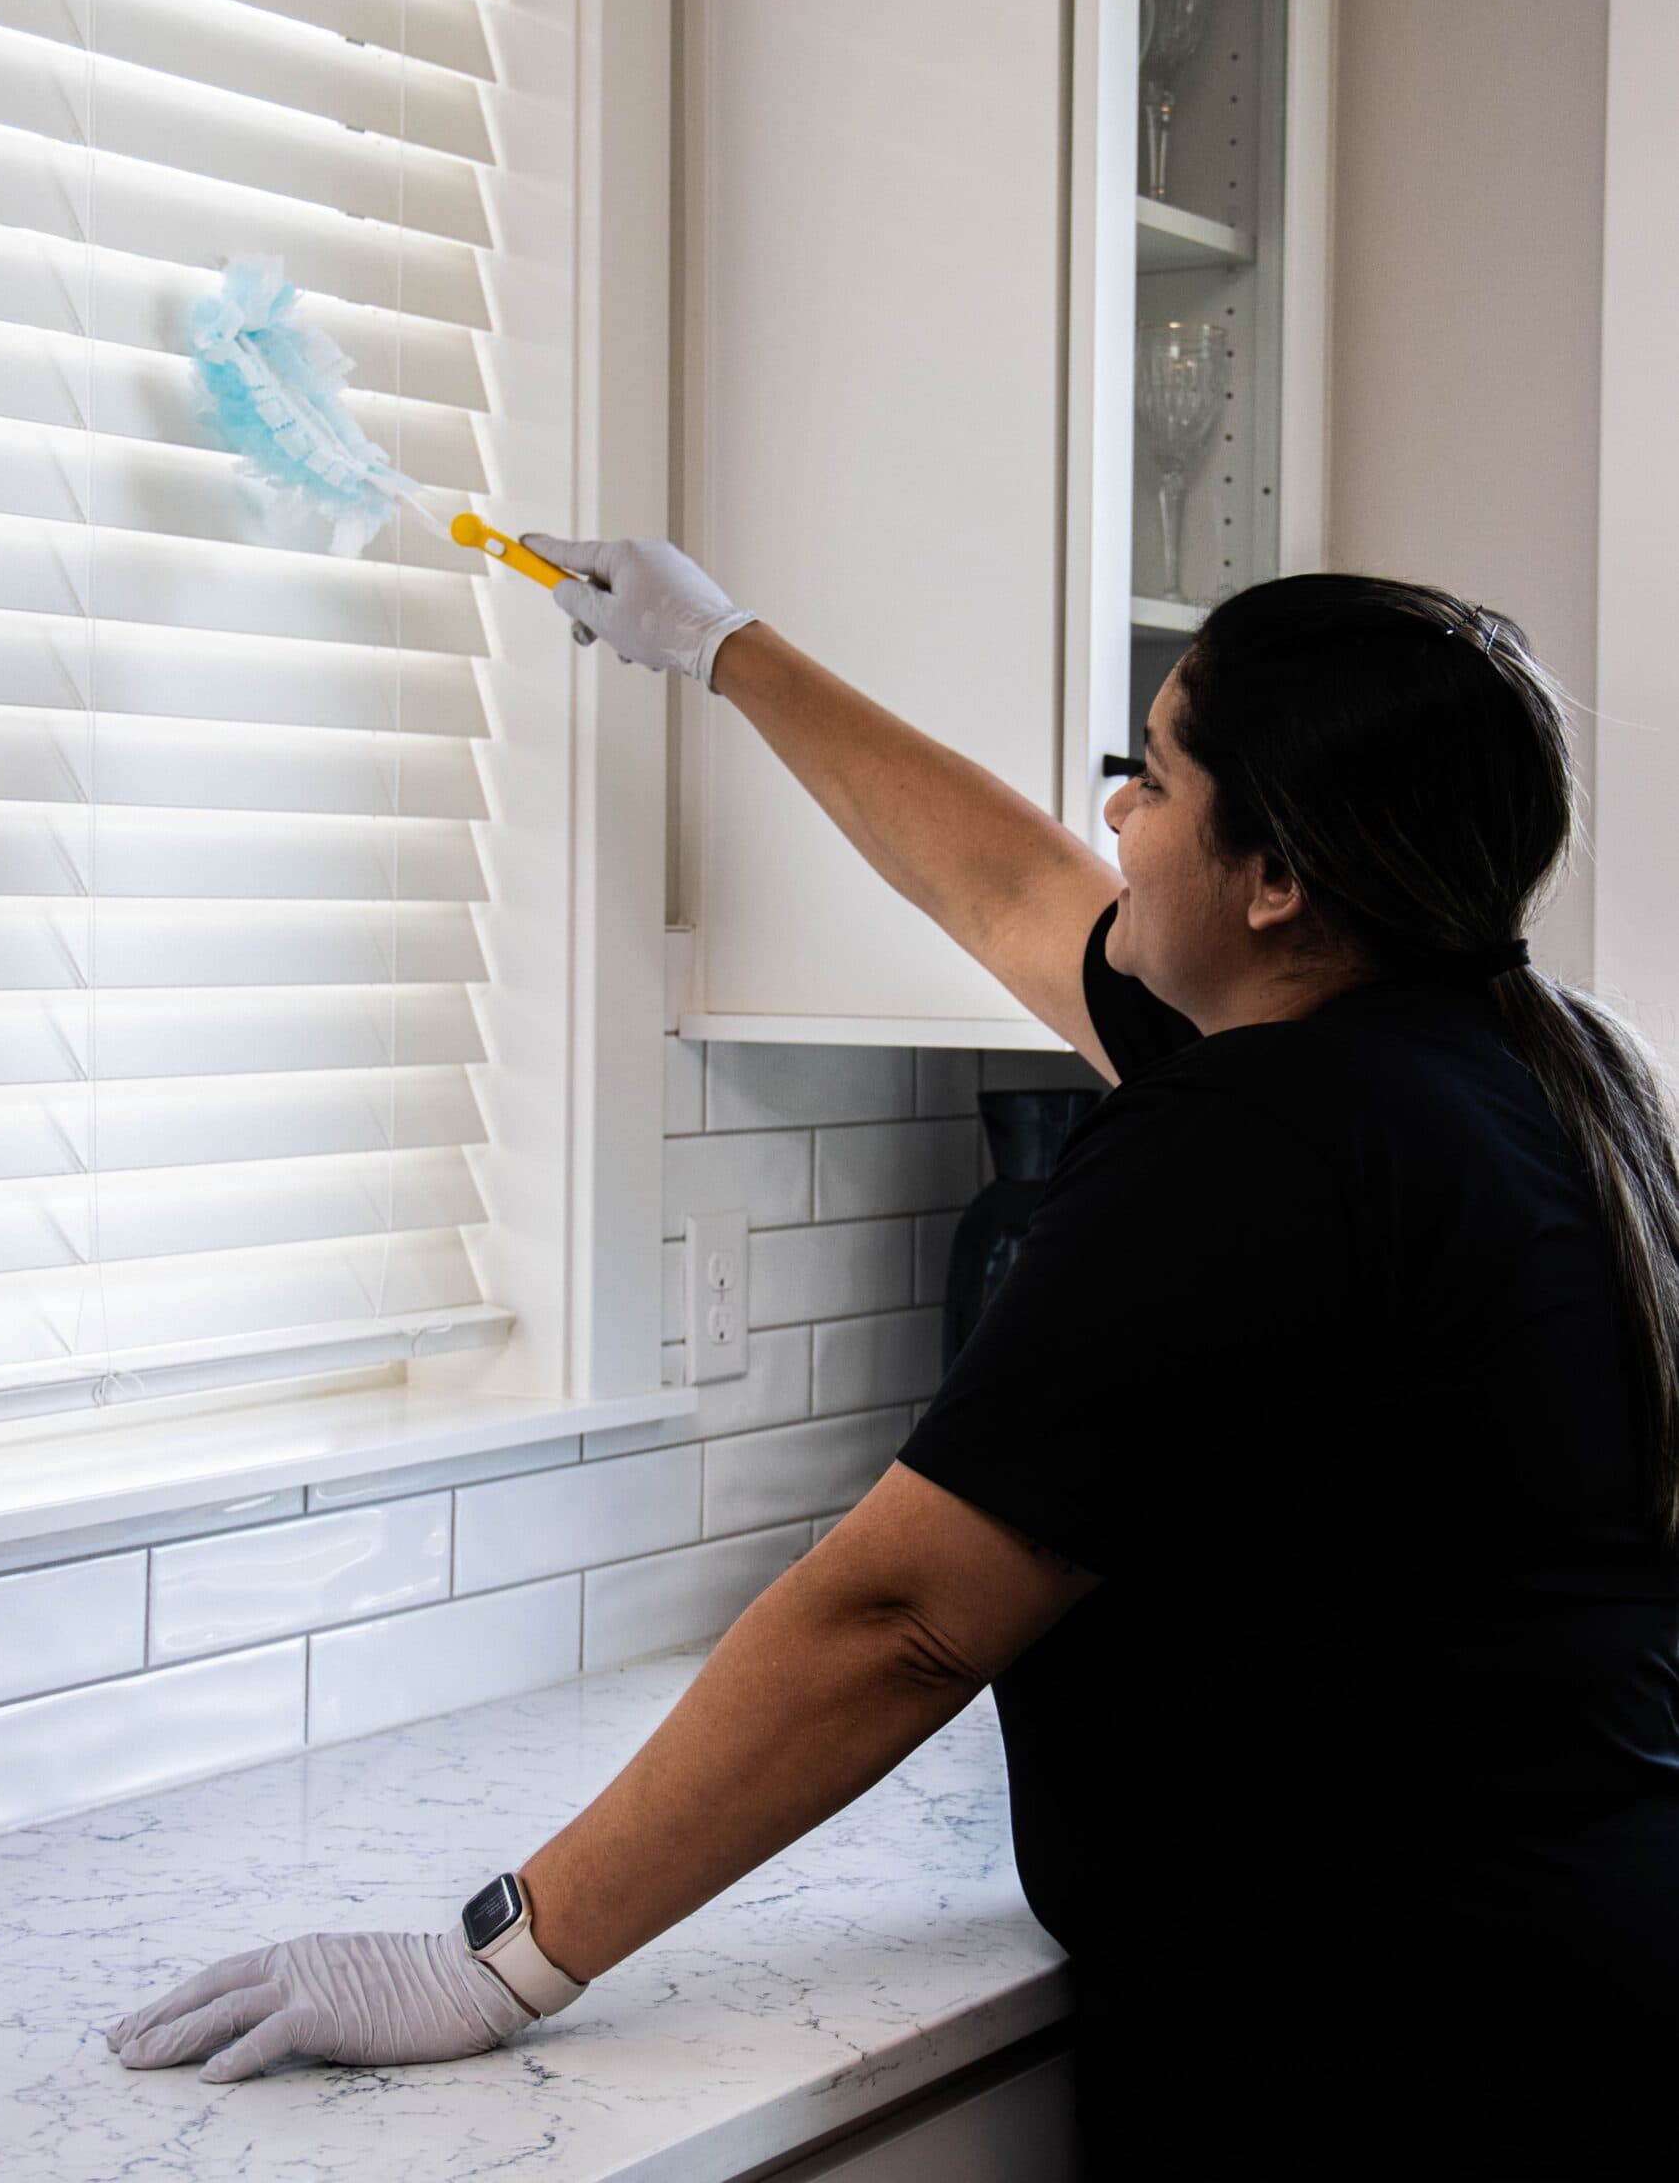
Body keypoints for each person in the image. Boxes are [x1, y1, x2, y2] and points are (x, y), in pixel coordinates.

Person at [107, 544, 1679, 2180]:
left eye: (1155, 776)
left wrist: (500, 1955)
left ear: (1276, 877)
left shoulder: (1267, 1140)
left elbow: (900, 1621)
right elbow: (1003, 890)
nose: (1115, 813)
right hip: (1564, 1987)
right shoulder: (1514, 1064)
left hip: (1397, 2065)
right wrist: (721, 647)